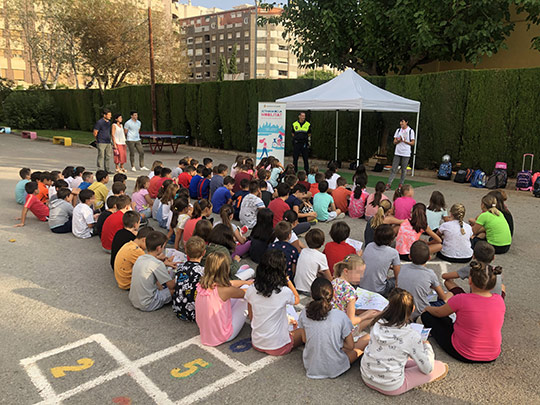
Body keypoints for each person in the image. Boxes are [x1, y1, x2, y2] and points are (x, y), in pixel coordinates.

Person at [361, 288, 448, 396]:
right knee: (440, 366)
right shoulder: (411, 335)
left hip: (366, 375)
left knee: (408, 359)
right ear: (412, 309)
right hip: (390, 386)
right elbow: (427, 369)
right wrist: (427, 347)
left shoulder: (377, 322)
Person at [422, 261, 505, 363]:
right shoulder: (499, 300)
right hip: (492, 355)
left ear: (470, 281)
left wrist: (428, 308)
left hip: (464, 353)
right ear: (493, 285)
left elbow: (439, 313)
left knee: (427, 316)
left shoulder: (462, 299)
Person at [298, 278, 369, 379]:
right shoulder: (340, 316)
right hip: (335, 368)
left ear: (312, 294)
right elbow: (350, 346)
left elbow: (304, 339)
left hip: (311, 367)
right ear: (332, 296)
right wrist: (335, 342)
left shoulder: (304, 313)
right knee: (366, 338)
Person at [245, 250, 303, 355]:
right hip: (279, 346)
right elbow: (297, 299)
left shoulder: (251, 289)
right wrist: (288, 280)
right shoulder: (284, 292)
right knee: (305, 330)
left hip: (257, 343)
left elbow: (251, 316)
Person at [195, 251, 251, 346]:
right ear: (225, 269)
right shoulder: (224, 290)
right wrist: (250, 285)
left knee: (237, 293)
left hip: (205, 332)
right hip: (223, 335)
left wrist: (244, 282)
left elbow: (230, 284)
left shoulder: (202, 284)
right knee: (245, 300)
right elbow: (246, 293)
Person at [396, 241, 451, 320]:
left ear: (410, 257)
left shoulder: (403, 268)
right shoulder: (430, 274)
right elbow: (442, 296)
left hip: (402, 310)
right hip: (421, 312)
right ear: (429, 258)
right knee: (450, 295)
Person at [129, 231, 175, 311]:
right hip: (148, 304)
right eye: (164, 246)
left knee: (161, 282)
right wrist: (181, 275)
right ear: (159, 248)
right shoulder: (157, 264)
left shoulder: (140, 258)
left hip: (134, 299)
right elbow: (171, 286)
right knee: (175, 290)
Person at [331, 255, 379, 328]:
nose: (361, 276)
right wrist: (366, 315)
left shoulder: (334, 281)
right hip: (341, 327)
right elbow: (351, 321)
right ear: (346, 271)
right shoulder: (350, 291)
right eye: (358, 273)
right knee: (371, 318)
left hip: (333, 320)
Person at [360, 224, 401, 297]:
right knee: (397, 279)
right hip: (379, 290)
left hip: (362, 286)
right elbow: (398, 275)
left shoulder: (369, 246)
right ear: (391, 240)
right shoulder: (393, 253)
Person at [173, 236, 206, 321]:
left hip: (179, 310)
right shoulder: (203, 271)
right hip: (196, 314)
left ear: (186, 251)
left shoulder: (180, 267)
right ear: (204, 253)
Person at [294, 228, 331, 295]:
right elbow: (327, 275)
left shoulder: (303, 251)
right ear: (322, 243)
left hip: (297, 286)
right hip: (310, 289)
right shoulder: (321, 256)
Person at [386, 118, 415, 190]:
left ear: (406, 122)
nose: (401, 123)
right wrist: (398, 141)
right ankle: (389, 184)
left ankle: (401, 184)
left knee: (403, 169)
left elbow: (413, 142)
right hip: (397, 152)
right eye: (400, 122)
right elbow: (394, 141)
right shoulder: (398, 130)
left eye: (403, 122)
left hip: (406, 152)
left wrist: (405, 141)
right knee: (394, 168)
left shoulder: (410, 131)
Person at [93, 109, 114, 173]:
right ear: (104, 115)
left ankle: (107, 169)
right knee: (101, 155)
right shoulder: (100, 122)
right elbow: (95, 132)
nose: (110, 116)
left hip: (108, 141)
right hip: (101, 141)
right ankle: (100, 169)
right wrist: (97, 139)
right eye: (109, 115)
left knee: (108, 156)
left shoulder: (108, 123)